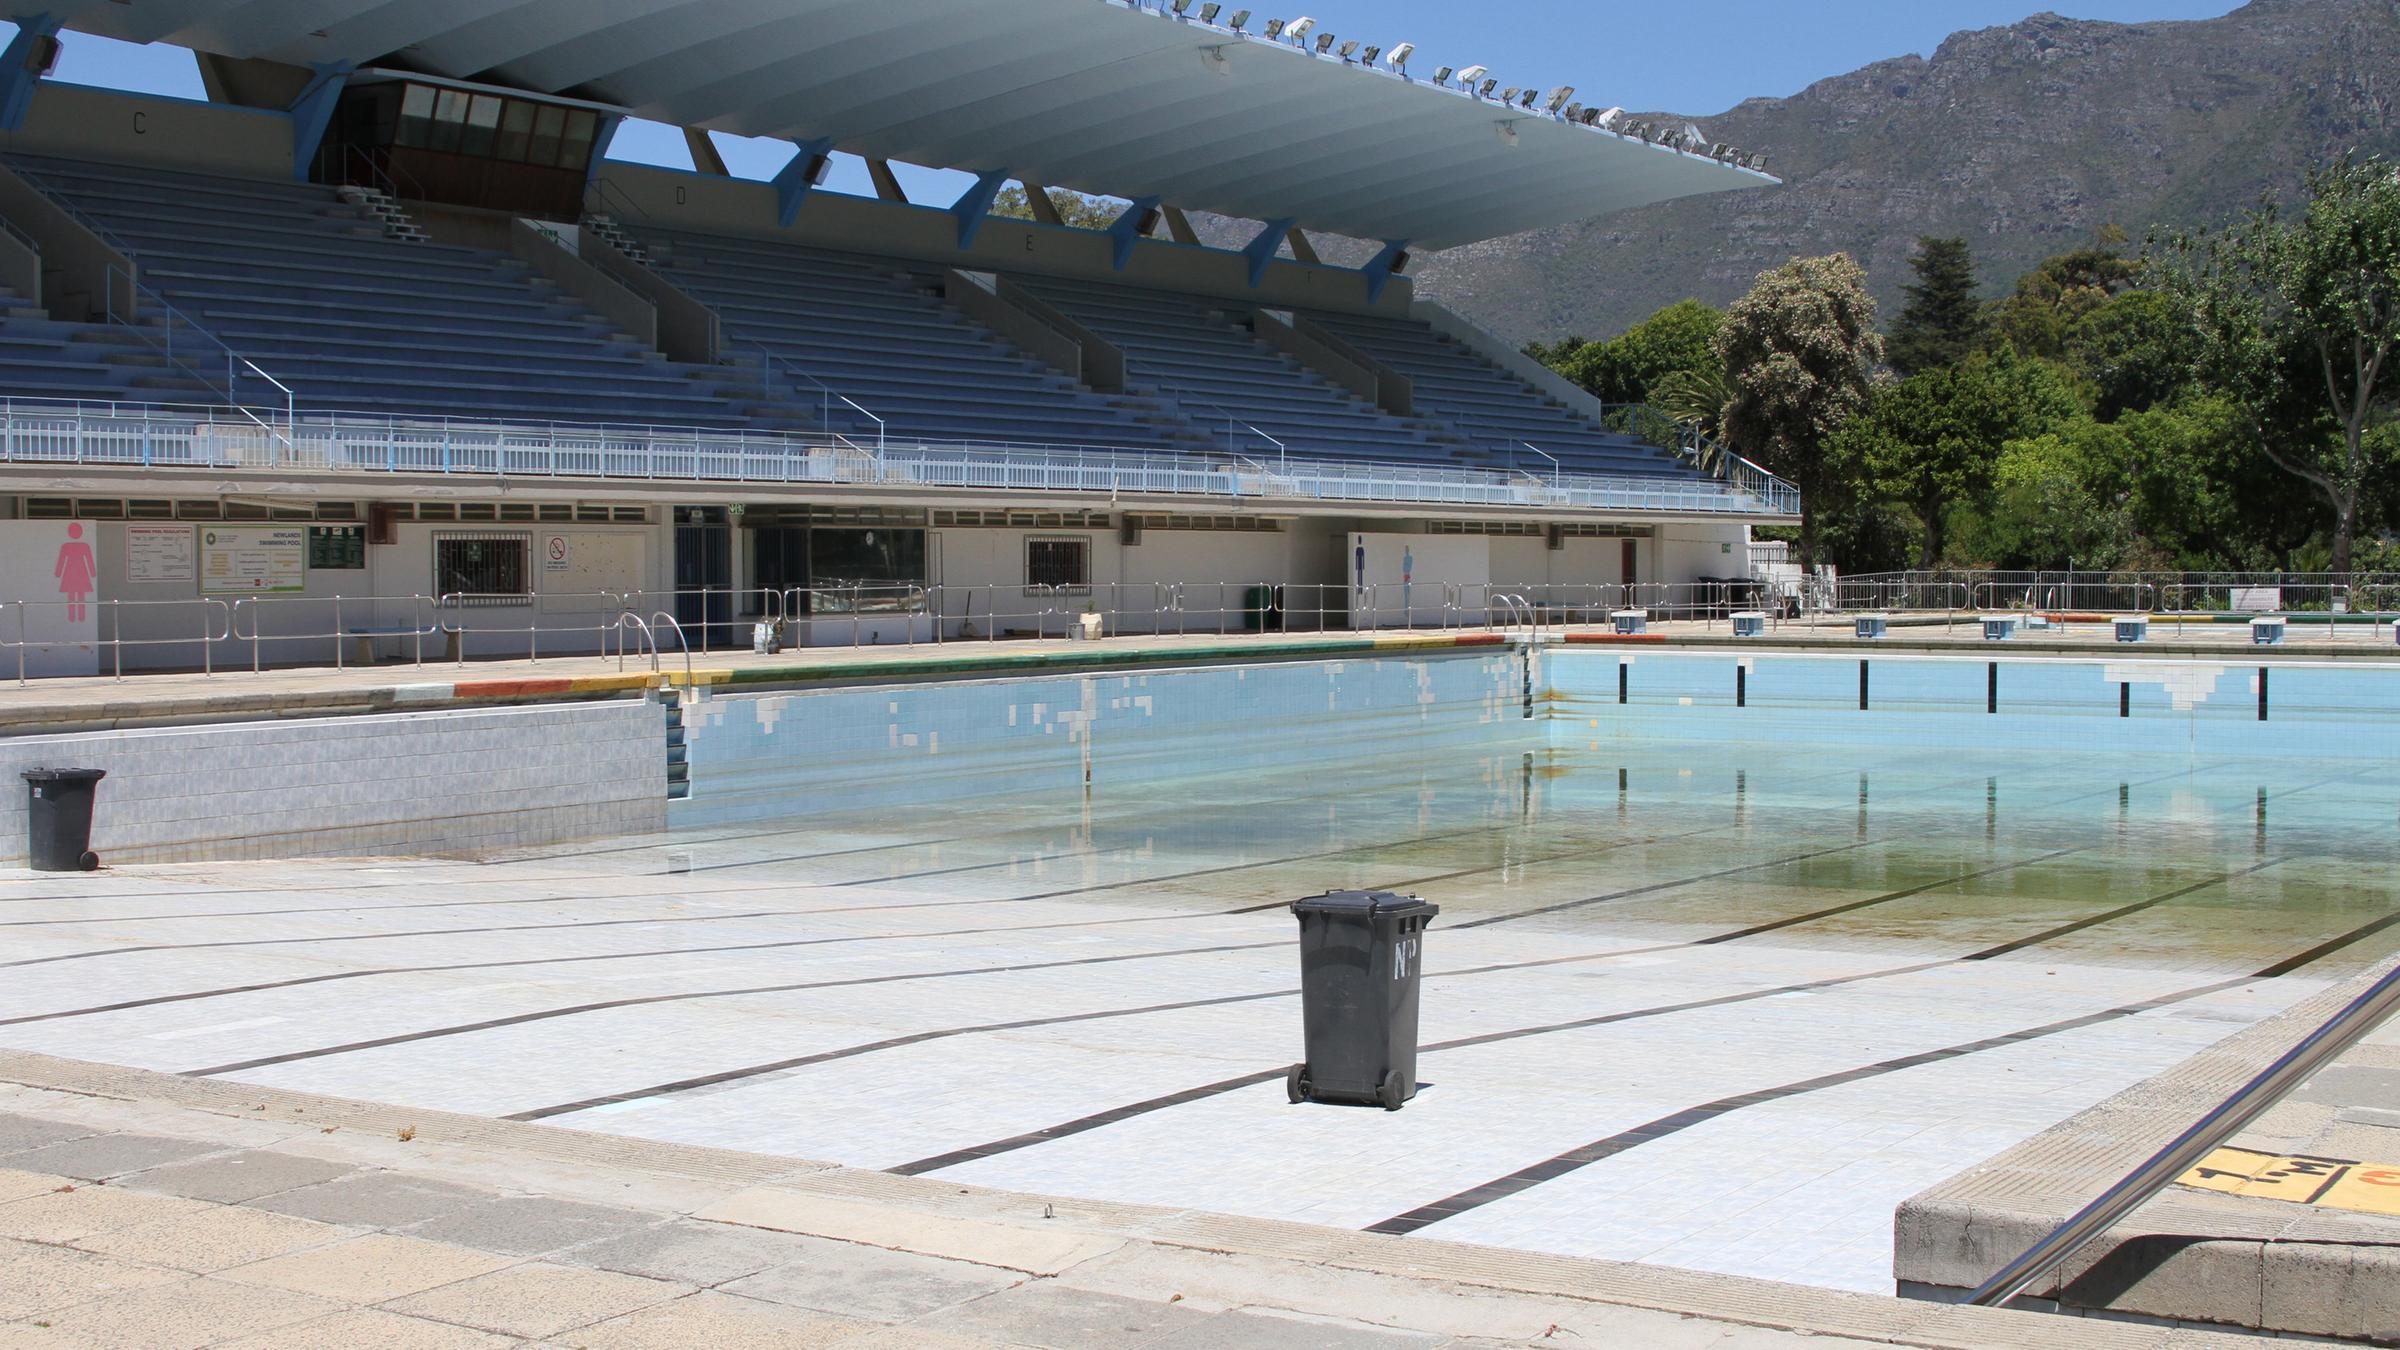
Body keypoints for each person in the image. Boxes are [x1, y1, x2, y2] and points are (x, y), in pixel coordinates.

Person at [54, 522, 96, 623]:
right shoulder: (75, 546)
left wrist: (58, 573)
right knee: (74, 596)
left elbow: (89, 559)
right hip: (77, 573)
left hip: (75, 573)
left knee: (77, 596)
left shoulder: (75, 546)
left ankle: (77, 617)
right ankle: (75, 617)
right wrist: (92, 572)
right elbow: (61, 560)